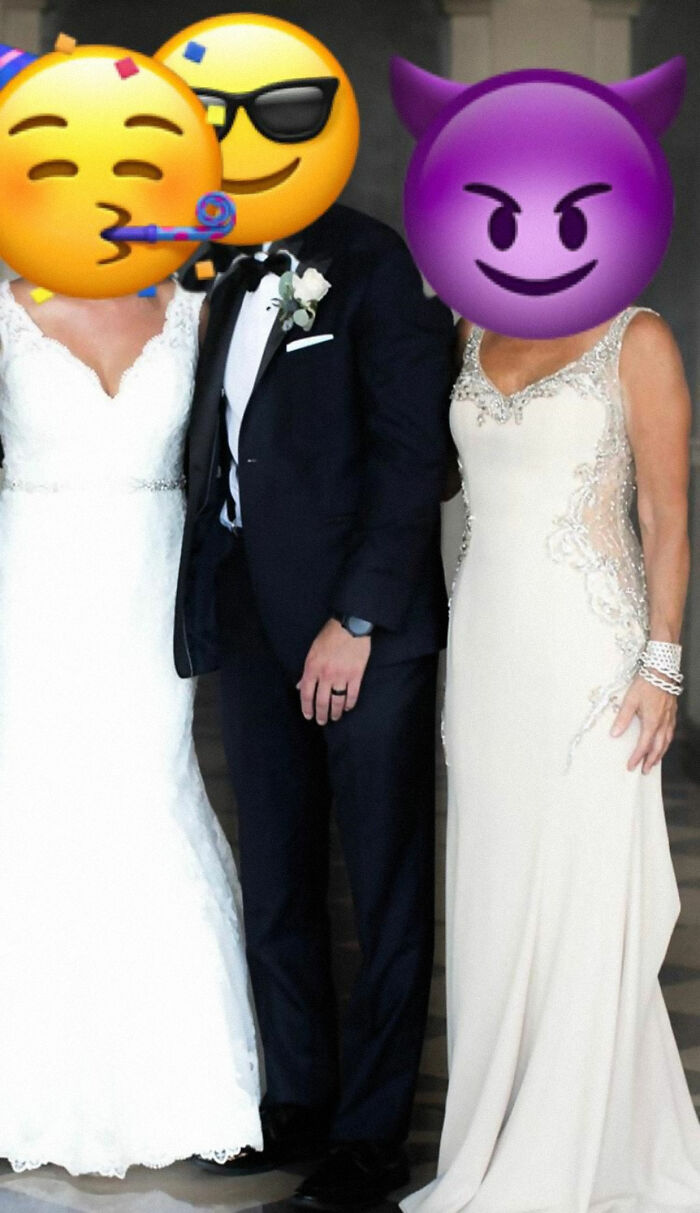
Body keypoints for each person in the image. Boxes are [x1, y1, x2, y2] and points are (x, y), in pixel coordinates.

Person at [175, 200, 455, 1210]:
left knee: (383, 885)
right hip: (253, 615)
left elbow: (410, 452)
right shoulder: (232, 271)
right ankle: (295, 1102)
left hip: (361, 625)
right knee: (278, 873)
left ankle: (371, 1138)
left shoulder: (371, 262)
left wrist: (358, 617)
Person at [403, 306, 700, 1212]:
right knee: (494, 894)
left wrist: (663, 662)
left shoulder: (637, 338)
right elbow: (438, 470)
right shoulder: (466, 326)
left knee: (584, 891)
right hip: (487, 651)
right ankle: (493, 1139)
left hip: (591, 661)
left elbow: (665, 511)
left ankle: (570, 1146)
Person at [0, 276, 262, 1177]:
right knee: (35, 800)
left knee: (145, 796)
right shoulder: (6, 312)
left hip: (149, 594)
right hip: (32, 588)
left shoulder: (194, 310)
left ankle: (170, 1079)